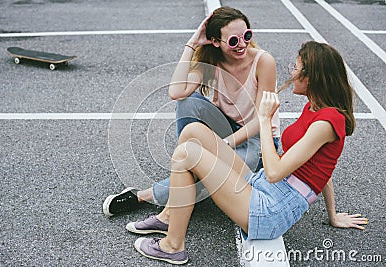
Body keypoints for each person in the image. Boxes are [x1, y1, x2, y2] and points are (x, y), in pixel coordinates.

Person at [128, 41, 368, 265]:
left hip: (271, 209)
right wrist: (333, 215)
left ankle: (172, 246)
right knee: (194, 132)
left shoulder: (326, 122)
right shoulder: (315, 107)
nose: (291, 73)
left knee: (186, 155)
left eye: (295, 67)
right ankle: (170, 214)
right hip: (264, 187)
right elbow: (324, 167)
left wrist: (264, 119)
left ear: (312, 76)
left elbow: (274, 172)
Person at [103, 6, 280, 216]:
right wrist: (192, 44)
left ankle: (143, 195)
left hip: (259, 141)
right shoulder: (212, 61)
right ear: (215, 41)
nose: (242, 44)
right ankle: (187, 167)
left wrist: (225, 145)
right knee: (188, 102)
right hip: (228, 127)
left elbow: (262, 119)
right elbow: (176, 92)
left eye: (247, 36)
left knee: (209, 167)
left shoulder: (263, 61)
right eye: (233, 40)